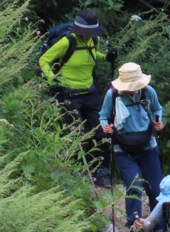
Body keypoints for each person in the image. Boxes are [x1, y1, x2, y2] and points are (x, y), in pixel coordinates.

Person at [38, 9, 117, 186]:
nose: (90, 36)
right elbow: (44, 60)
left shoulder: (93, 40)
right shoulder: (68, 41)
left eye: (92, 33)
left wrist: (106, 57)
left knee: (101, 131)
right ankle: (73, 172)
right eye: (87, 33)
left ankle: (102, 172)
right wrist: (53, 79)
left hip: (90, 93)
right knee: (75, 134)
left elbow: (92, 56)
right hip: (69, 94)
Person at [99, 62, 164, 229]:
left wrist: (158, 121)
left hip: (148, 145)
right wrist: (105, 127)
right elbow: (103, 116)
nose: (132, 89)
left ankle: (159, 225)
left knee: (156, 188)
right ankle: (134, 226)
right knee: (134, 187)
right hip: (122, 148)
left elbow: (157, 109)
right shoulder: (112, 95)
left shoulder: (148, 91)